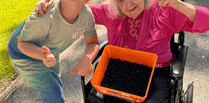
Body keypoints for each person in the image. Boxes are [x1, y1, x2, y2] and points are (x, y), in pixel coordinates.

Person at [36, 0, 209, 102]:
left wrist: (177, 4)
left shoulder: (165, 11)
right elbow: (74, 11)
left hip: (156, 70)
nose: (127, 4)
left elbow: (206, 21)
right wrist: (52, 5)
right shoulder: (111, 12)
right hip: (120, 71)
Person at [7, 0, 100, 102]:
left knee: (55, 81)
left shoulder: (86, 15)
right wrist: (41, 54)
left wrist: (88, 57)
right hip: (24, 55)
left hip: (50, 51)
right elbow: (22, 43)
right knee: (54, 94)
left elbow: (93, 43)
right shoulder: (44, 15)